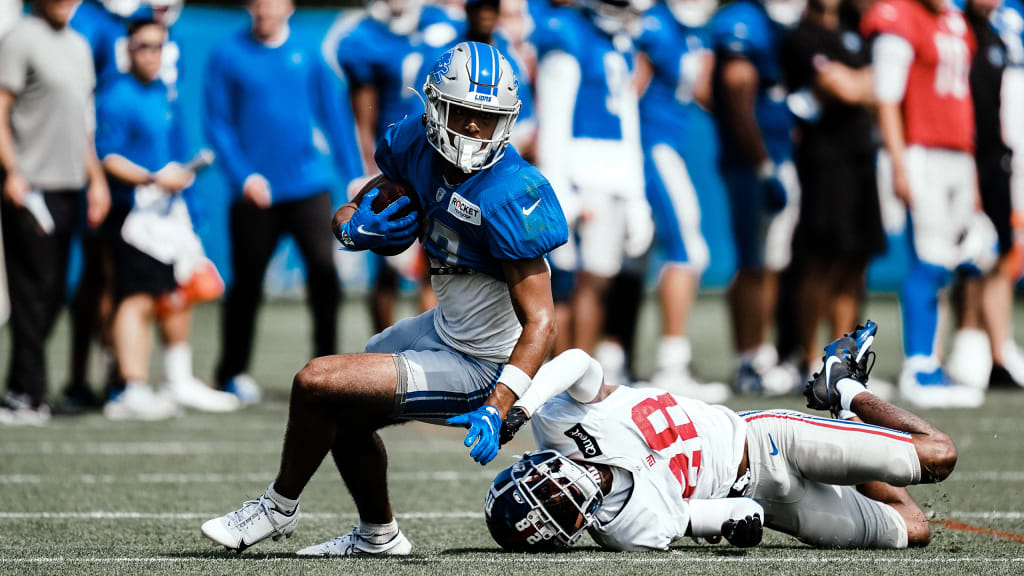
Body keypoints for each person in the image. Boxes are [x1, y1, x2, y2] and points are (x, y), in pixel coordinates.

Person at [200, 42, 568, 557]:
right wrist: (349, 224)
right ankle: (379, 535)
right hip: (445, 328)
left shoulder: (512, 190)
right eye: (464, 114)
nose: (475, 131)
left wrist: (499, 403)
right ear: (436, 108)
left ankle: (277, 508)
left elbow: (542, 321)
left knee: (316, 381)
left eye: (488, 118)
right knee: (344, 413)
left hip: (484, 364)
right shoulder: (416, 142)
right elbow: (371, 195)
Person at [488, 321, 957, 551]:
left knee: (939, 456)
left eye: (541, 482)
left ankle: (846, 388)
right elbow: (732, 512)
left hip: (766, 441)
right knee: (914, 529)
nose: (555, 485)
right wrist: (739, 525)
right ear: (566, 530)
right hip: (771, 500)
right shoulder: (625, 531)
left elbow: (574, 360)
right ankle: (847, 416)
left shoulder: (558, 422)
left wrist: (519, 405)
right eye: (550, 500)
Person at [204, 0, 361, 404]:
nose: (264, 9)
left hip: (309, 185)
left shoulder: (306, 52)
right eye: (257, 2)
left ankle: (328, 372)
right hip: (255, 194)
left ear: (288, 6)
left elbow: (334, 114)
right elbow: (217, 125)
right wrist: (244, 177)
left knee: (324, 274)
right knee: (246, 285)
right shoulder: (228, 55)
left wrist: (353, 173)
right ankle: (230, 374)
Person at [96, 19, 240, 420]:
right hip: (132, 216)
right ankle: (131, 388)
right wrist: (153, 178)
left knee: (177, 295)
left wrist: (188, 204)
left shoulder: (164, 92)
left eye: (158, 47)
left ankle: (179, 380)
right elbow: (106, 156)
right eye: (143, 46)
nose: (151, 54)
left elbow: (175, 155)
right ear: (128, 49)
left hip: (165, 216)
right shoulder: (116, 95)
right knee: (135, 300)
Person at [862, 0, 993, 408]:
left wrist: (970, 172)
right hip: (921, 153)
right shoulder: (898, 16)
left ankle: (931, 362)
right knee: (929, 260)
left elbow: (961, 100)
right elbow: (886, 98)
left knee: (962, 258)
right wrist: (899, 163)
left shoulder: (954, 21)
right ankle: (919, 365)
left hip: (956, 154)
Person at [0, 0, 110, 425]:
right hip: (29, 185)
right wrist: (11, 171)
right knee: (32, 291)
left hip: (68, 187)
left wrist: (96, 178)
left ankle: (19, 387)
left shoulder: (80, 45)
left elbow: (82, 122)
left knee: (51, 293)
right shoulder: (20, 39)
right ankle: (27, 394)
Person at [323, 0, 460, 332]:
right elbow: (362, 119)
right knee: (388, 261)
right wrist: (368, 171)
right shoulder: (363, 38)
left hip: (442, 157)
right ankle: (382, 345)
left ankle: (435, 348)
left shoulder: (444, 22)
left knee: (437, 263)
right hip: (396, 159)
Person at [533, 0, 653, 373]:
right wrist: (559, 188)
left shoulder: (617, 41)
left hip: (613, 174)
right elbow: (553, 118)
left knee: (599, 280)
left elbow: (628, 121)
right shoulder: (568, 34)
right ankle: (567, 376)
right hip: (583, 173)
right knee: (574, 283)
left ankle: (580, 373)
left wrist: (636, 195)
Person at [780, 0, 884, 373]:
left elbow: (878, 87)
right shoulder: (800, 35)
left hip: (861, 160)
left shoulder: (855, 31)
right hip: (824, 163)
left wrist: (863, 83)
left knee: (854, 262)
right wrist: (865, 83)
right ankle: (808, 359)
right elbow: (843, 88)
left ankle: (839, 365)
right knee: (820, 261)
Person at [634, 0, 729, 401]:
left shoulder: (692, 31)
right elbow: (625, 96)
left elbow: (703, 91)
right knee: (687, 251)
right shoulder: (655, 25)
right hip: (649, 146)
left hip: (666, 145)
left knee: (655, 254)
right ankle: (671, 362)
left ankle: (620, 354)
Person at [710, 0, 804, 395]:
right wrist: (763, 165)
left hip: (776, 156)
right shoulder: (742, 21)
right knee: (753, 262)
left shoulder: (774, 20)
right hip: (752, 164)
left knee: (770, 263)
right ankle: (749, 357)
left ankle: (759, 354)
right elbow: (735, 83)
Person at [946, 0, 1018, 391]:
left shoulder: (997, 37)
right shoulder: (957, 32)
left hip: (996, 162)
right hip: (962, 159)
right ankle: (962, 347)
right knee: (965, 258)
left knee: (999, 256)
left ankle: (998, 355)